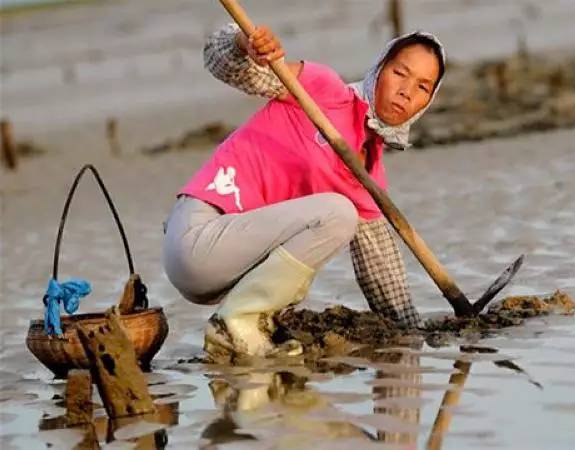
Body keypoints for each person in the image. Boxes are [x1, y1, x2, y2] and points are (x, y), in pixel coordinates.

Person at [162, 22, 446, 362]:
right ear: (379, 69)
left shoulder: (370, 179)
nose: (406, 91)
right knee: (338, 213)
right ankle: (237, 323)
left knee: (320, 245)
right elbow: (222, 63)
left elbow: (385, 282)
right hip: (199, 236)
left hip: (228, 273)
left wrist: (413, 341)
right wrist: (243, 43)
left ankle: (249, 325)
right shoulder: (323, 90)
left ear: (427, 102)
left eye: (423, 87)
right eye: (400, 73)